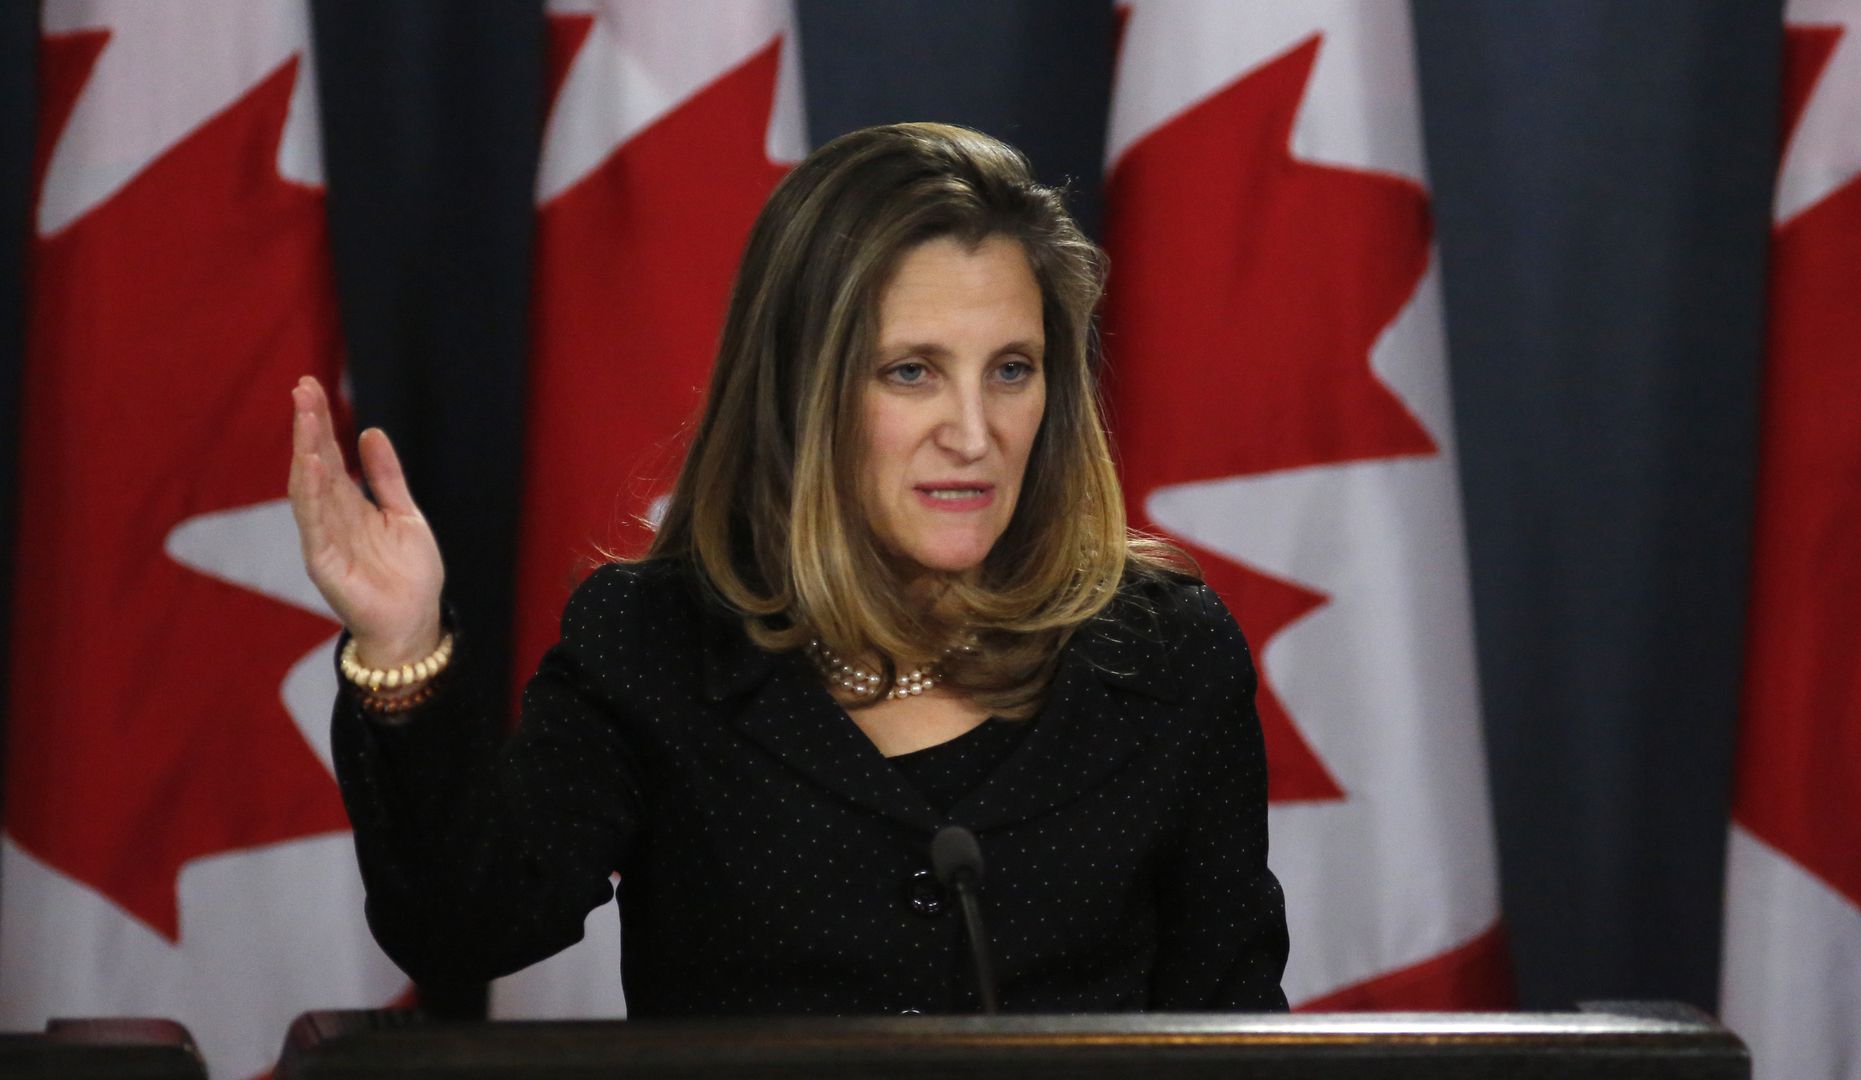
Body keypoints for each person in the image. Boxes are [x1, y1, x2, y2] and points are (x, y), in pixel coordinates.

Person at [290, 122, 1288, 1016]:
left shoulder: (1163, 652)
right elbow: (466, 929)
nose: (974, 433)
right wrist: (402, 645)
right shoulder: (656, 643)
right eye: (912, 371)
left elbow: (1233, 1019)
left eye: (1011, 370)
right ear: (801, 391)